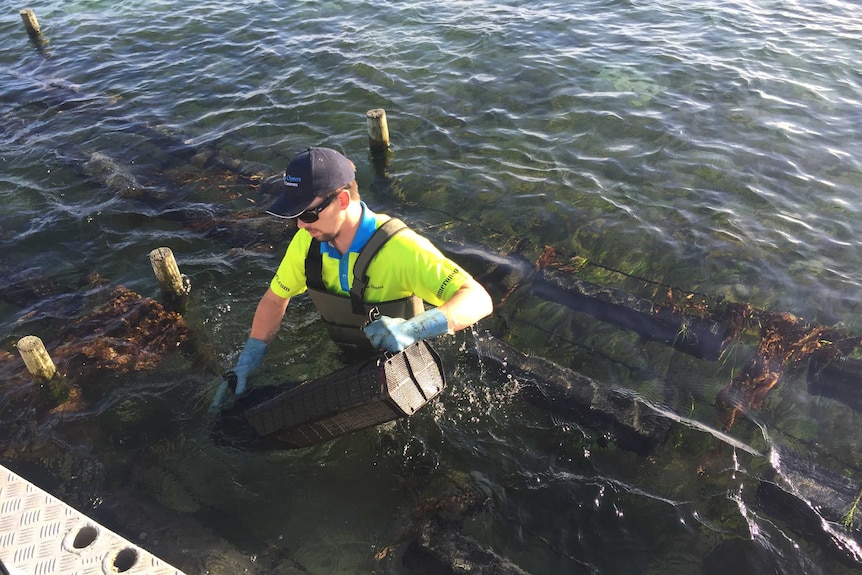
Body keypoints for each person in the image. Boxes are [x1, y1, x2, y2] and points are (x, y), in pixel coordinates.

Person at [230, 147, 493, 395]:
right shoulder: (307, 243)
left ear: (342, 200)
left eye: (307, 214)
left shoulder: (400, 248)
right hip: (347, 358)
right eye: (294, 216)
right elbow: (275, 300)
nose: (299, 225)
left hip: (408, 368)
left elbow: (478, 299)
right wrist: (249, 359)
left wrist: (412, 329)